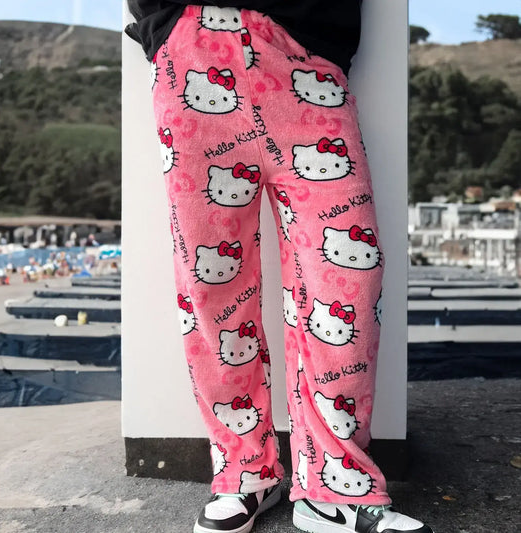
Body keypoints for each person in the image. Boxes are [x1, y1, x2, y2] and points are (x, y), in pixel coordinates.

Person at [124, 2, 434, 532]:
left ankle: (333, 487)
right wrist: (168, 30)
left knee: (349, 285)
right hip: (192, 48)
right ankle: (245, 470)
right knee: (211, 287)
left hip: (307, 58)